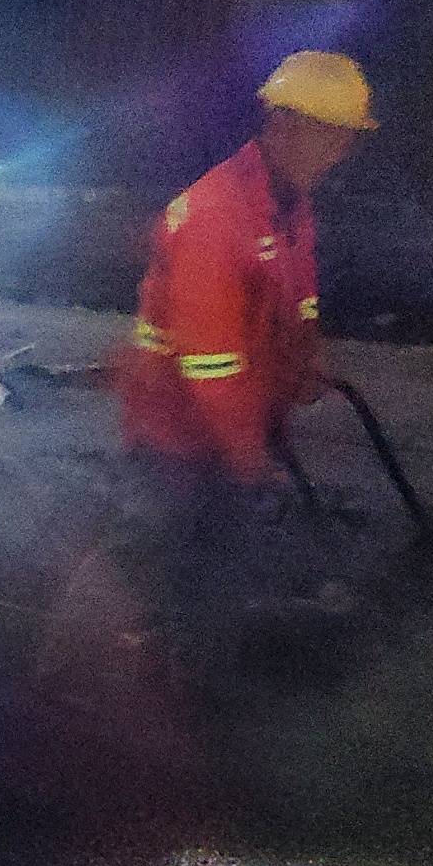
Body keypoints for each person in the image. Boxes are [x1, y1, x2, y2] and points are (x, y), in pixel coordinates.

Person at [107, 49, 377, 674]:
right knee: (158, 566)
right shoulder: (215, 216)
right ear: (285, 124)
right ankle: (111, 677)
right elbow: (212, 370)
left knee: (220, 560)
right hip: (176, 431)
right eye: (332, 135)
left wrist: (301, 361)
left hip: (234, 420)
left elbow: (298, 294)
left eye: (347, 139)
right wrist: (251, 460)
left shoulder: (288, 204)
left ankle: (196, 662)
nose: (340, 153)